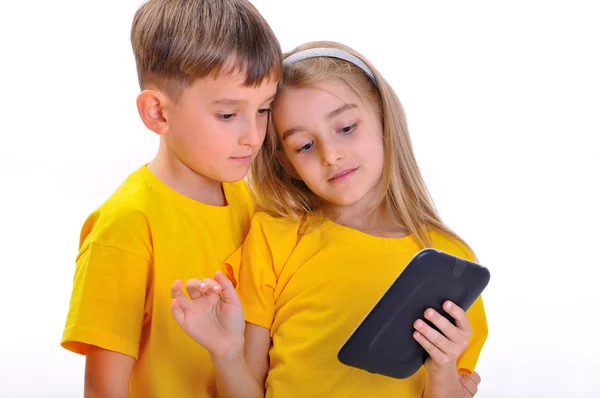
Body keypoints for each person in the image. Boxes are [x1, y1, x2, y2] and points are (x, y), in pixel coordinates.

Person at [171, 41, 488, 398]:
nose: (331, 155)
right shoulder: (273, 240)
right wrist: (227, 356)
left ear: (384, 118)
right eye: (304, 146)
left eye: (346, 127)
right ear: (286, 162)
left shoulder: (449, 260)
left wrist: (443, 369)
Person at [59, 0, 281, 396]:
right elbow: (102, 389)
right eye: (228, 115)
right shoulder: (126, 224)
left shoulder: (247, 198)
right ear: (158, 113)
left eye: (263, 109)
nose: (253, 135)